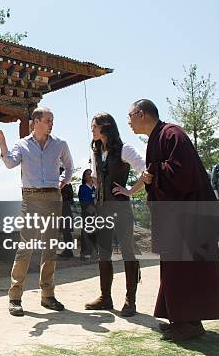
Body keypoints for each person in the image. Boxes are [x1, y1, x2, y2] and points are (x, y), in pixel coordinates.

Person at [126, 98, 219, 340]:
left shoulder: (173, 134)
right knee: (174, 269)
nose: (129, 121)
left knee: (186, 269)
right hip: (176, 216)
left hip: (189, 217)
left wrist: (153, 174)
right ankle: (180, 318)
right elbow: (164, 169)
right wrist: (154, 174)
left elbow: (183, 173)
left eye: (130, 116)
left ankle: (191, 323)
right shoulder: (158, 136)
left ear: (142, 114)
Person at [0, 106, 73, 316]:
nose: (51, 123)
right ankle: (15, 297)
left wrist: (63, 182)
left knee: (50, 247)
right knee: (25, 247)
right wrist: (2, 140)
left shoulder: (60, 144)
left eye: (52, 120)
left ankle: (47, 296)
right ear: (36, 121)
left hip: (54, 197)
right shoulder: (22, 145)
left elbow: (70, 167)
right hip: (31, 197)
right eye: (48, 119)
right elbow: (10, 163)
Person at [84, 112, 146, 317]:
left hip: (120, 208)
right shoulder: (96, 151)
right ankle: (105, 298)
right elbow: (94, 178)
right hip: (102, 209)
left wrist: (129, 191)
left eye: (94, 126)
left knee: (128, 252)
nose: (91, 129)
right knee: (103, 253)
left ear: (105, 127)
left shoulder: (124, 149)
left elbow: (146, 171)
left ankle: (131, 300)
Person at [78, 169, 97, 260]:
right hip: (87, 214)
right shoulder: (82, 187)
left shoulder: (96, 187)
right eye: (88, 174)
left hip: (97, 215)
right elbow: (84, 202)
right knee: (86, 233)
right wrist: (93, 210)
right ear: (84, 177)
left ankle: (94, 253)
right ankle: (84, 253)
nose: (90, 175)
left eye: (91, 174)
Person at [58, 167, 75, 258]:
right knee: (66, 231)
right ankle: (68, 250)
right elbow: (71, 197)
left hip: (62, 208)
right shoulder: (67, 182)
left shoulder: (58, 182)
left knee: (65, 231)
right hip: (65, 208)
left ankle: (68, 251)